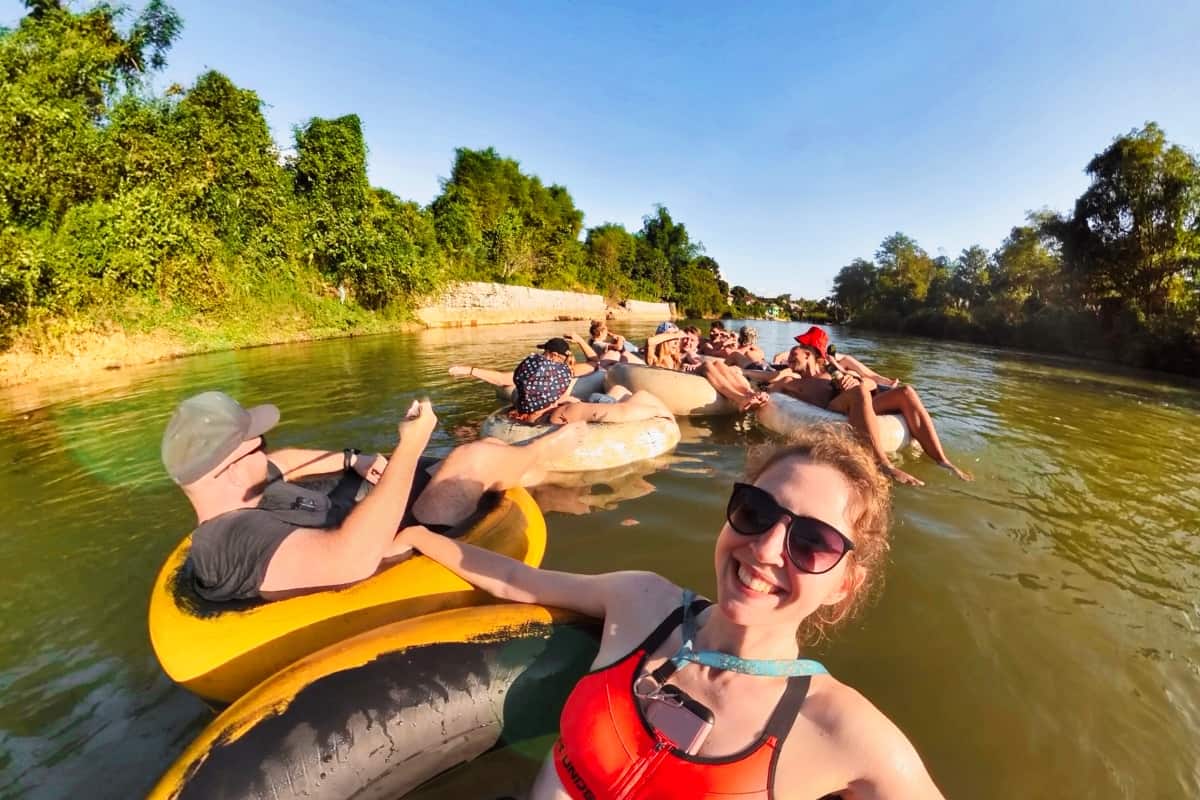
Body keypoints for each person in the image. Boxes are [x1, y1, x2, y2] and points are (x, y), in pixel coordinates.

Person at [395, 426, 946, 799]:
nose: (765, 549)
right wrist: (410, 536)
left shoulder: (844, 733)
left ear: (843, 585)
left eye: (812, 543)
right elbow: (517, 579)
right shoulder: (642, 603)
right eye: (756, 511)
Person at [161, 391, 584, 602]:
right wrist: (411, 446)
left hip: (377, 518)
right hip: (390, 551)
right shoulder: (230, 542)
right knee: (474, 458)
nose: (268, 450)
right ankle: (543, 451)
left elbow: (284, 462)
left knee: (468, 458)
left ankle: (535, 468)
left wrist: (353, 459)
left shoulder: (239, 489)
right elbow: (350, 560)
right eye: (258, 443)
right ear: (231, 469)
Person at [771, 327, 971, 485]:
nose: (789, 357)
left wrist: (854, 380)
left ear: (808, 354)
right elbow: (769, 386)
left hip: (851, 397)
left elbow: (871, 383)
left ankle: (943, 461)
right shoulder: (790, 379)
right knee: (858, 393)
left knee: (906, 392)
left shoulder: (833, 369)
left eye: (794, 352)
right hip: (832, 407)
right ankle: (883, 464)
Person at [507, 352, 675, 425]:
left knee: (617, 390)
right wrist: (659, 413)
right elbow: (623, 412)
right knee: (642, 395)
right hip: (606, 416)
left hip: (582, 406)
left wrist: (562, 401)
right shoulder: (565, 412)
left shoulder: (523, 412)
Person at [645, 322, 769, 412]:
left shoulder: (676, 358)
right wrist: (676, 334)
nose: (677, 342)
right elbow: (650, 342)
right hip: (673, 385)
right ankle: (739, 399)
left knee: (718, 364)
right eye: (673, 340)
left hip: (685, 377)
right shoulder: (655, 359)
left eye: (677, 340)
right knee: (706, 365)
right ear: (663, 340)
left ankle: (749, 393)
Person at [449, 337, 600, 389]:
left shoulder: (538, 371)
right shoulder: (571, 370)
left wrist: (469, 370)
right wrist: (580, 340)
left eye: (544, 352)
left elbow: (502, 380)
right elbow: (594, 362)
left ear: (553, 355)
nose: (541, 355)